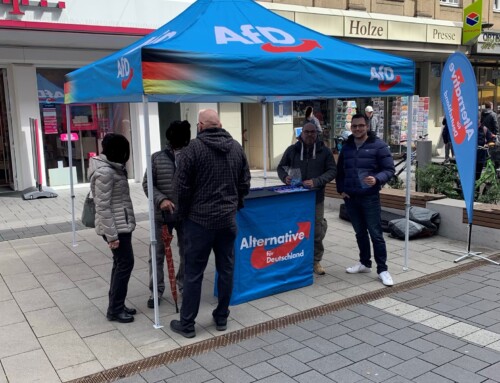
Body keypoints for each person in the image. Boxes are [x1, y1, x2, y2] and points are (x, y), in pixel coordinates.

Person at [170, 109, 251, 338]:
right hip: (227, 221)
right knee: (226, 269)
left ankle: (187, 323)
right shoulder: (236, 147)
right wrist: (234, 205)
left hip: (199, 222)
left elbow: (181, 188)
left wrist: (182, 216)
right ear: (220, 124)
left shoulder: (192, 150)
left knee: (194, 273)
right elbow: (244, 183)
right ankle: (222, 316)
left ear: (200, 126)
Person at [336, 113, 395, 287]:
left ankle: (383, 269)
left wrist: (377, 179)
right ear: (351, 128)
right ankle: (364, 263)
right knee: (360, 233)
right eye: (354, 126)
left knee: (376, 234)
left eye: (360, 125)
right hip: (351, 198)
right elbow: (340, 172)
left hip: (370, 197)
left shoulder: (379, 146)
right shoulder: (346, 147)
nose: (357, 129)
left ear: (367, 126)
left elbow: (389, 169)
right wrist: (341, 190)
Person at [277, 122, 337, 275]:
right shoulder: (293, 150)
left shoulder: (324, 151)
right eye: (307, 132)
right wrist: (285, 177)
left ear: (317, 133)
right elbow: (281, 167)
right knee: (295, 230)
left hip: (316, 198)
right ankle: (296, 257)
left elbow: (332, 171)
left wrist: (317, 181)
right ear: (301, 133)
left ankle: (315, 261)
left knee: (316, 230)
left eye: (313, 132)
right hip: (296, 199)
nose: (310, 134)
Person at [143, 120, 191, 309]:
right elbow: (148, 184)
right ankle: (156, 291)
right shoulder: (157, 158)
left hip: (186, 213)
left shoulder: (193, 155)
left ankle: (184, 285)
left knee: (187, 251)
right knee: (157, 253)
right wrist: (161, 199)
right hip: (161, 215)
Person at [89, 133, 136, 323]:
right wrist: (112, 236)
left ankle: (117, 304)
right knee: (125, 264)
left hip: (120, 223)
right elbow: (102, 206)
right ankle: (115, 309)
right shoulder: (106, 172)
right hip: (116, 227)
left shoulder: (113, 168)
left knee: (120, 264)